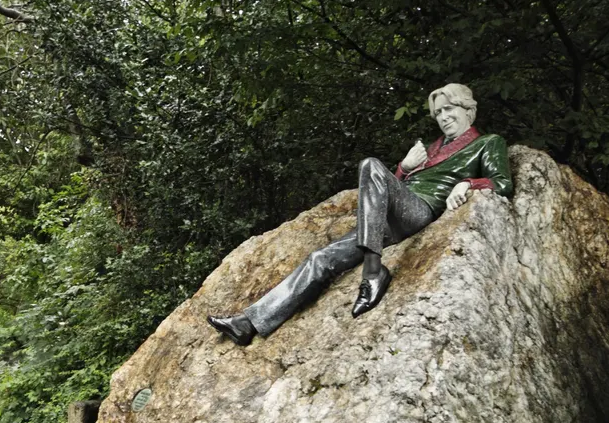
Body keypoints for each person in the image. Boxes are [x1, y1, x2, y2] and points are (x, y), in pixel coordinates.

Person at [208, 83, 513, 346]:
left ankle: (373, 272)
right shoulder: (431, 149)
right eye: (439, 113)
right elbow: (390, 186)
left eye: (450, 110)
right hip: (385, 219)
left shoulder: (487, 143)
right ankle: (247, 323)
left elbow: (502, 182)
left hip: (420, 212)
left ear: (467, 110)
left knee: (369, 164)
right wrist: (404, 168)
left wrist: (467, 183)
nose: (444, 118)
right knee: (320, 258)